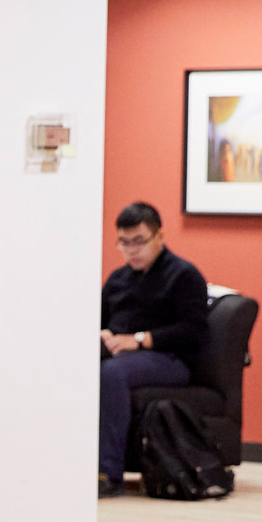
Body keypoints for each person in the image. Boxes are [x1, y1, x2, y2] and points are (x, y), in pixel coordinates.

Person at [98, 201, 210, 496]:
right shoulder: (117, 279)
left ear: (159, 236)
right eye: (124, 243)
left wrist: (138, 339)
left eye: (139, 242)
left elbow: (194, 332)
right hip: (120, 353)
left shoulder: (183, 275)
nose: (132, 250)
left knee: (111, 373)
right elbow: (97, 318)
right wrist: (103, 333)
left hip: (168, 358)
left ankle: (107, 473)